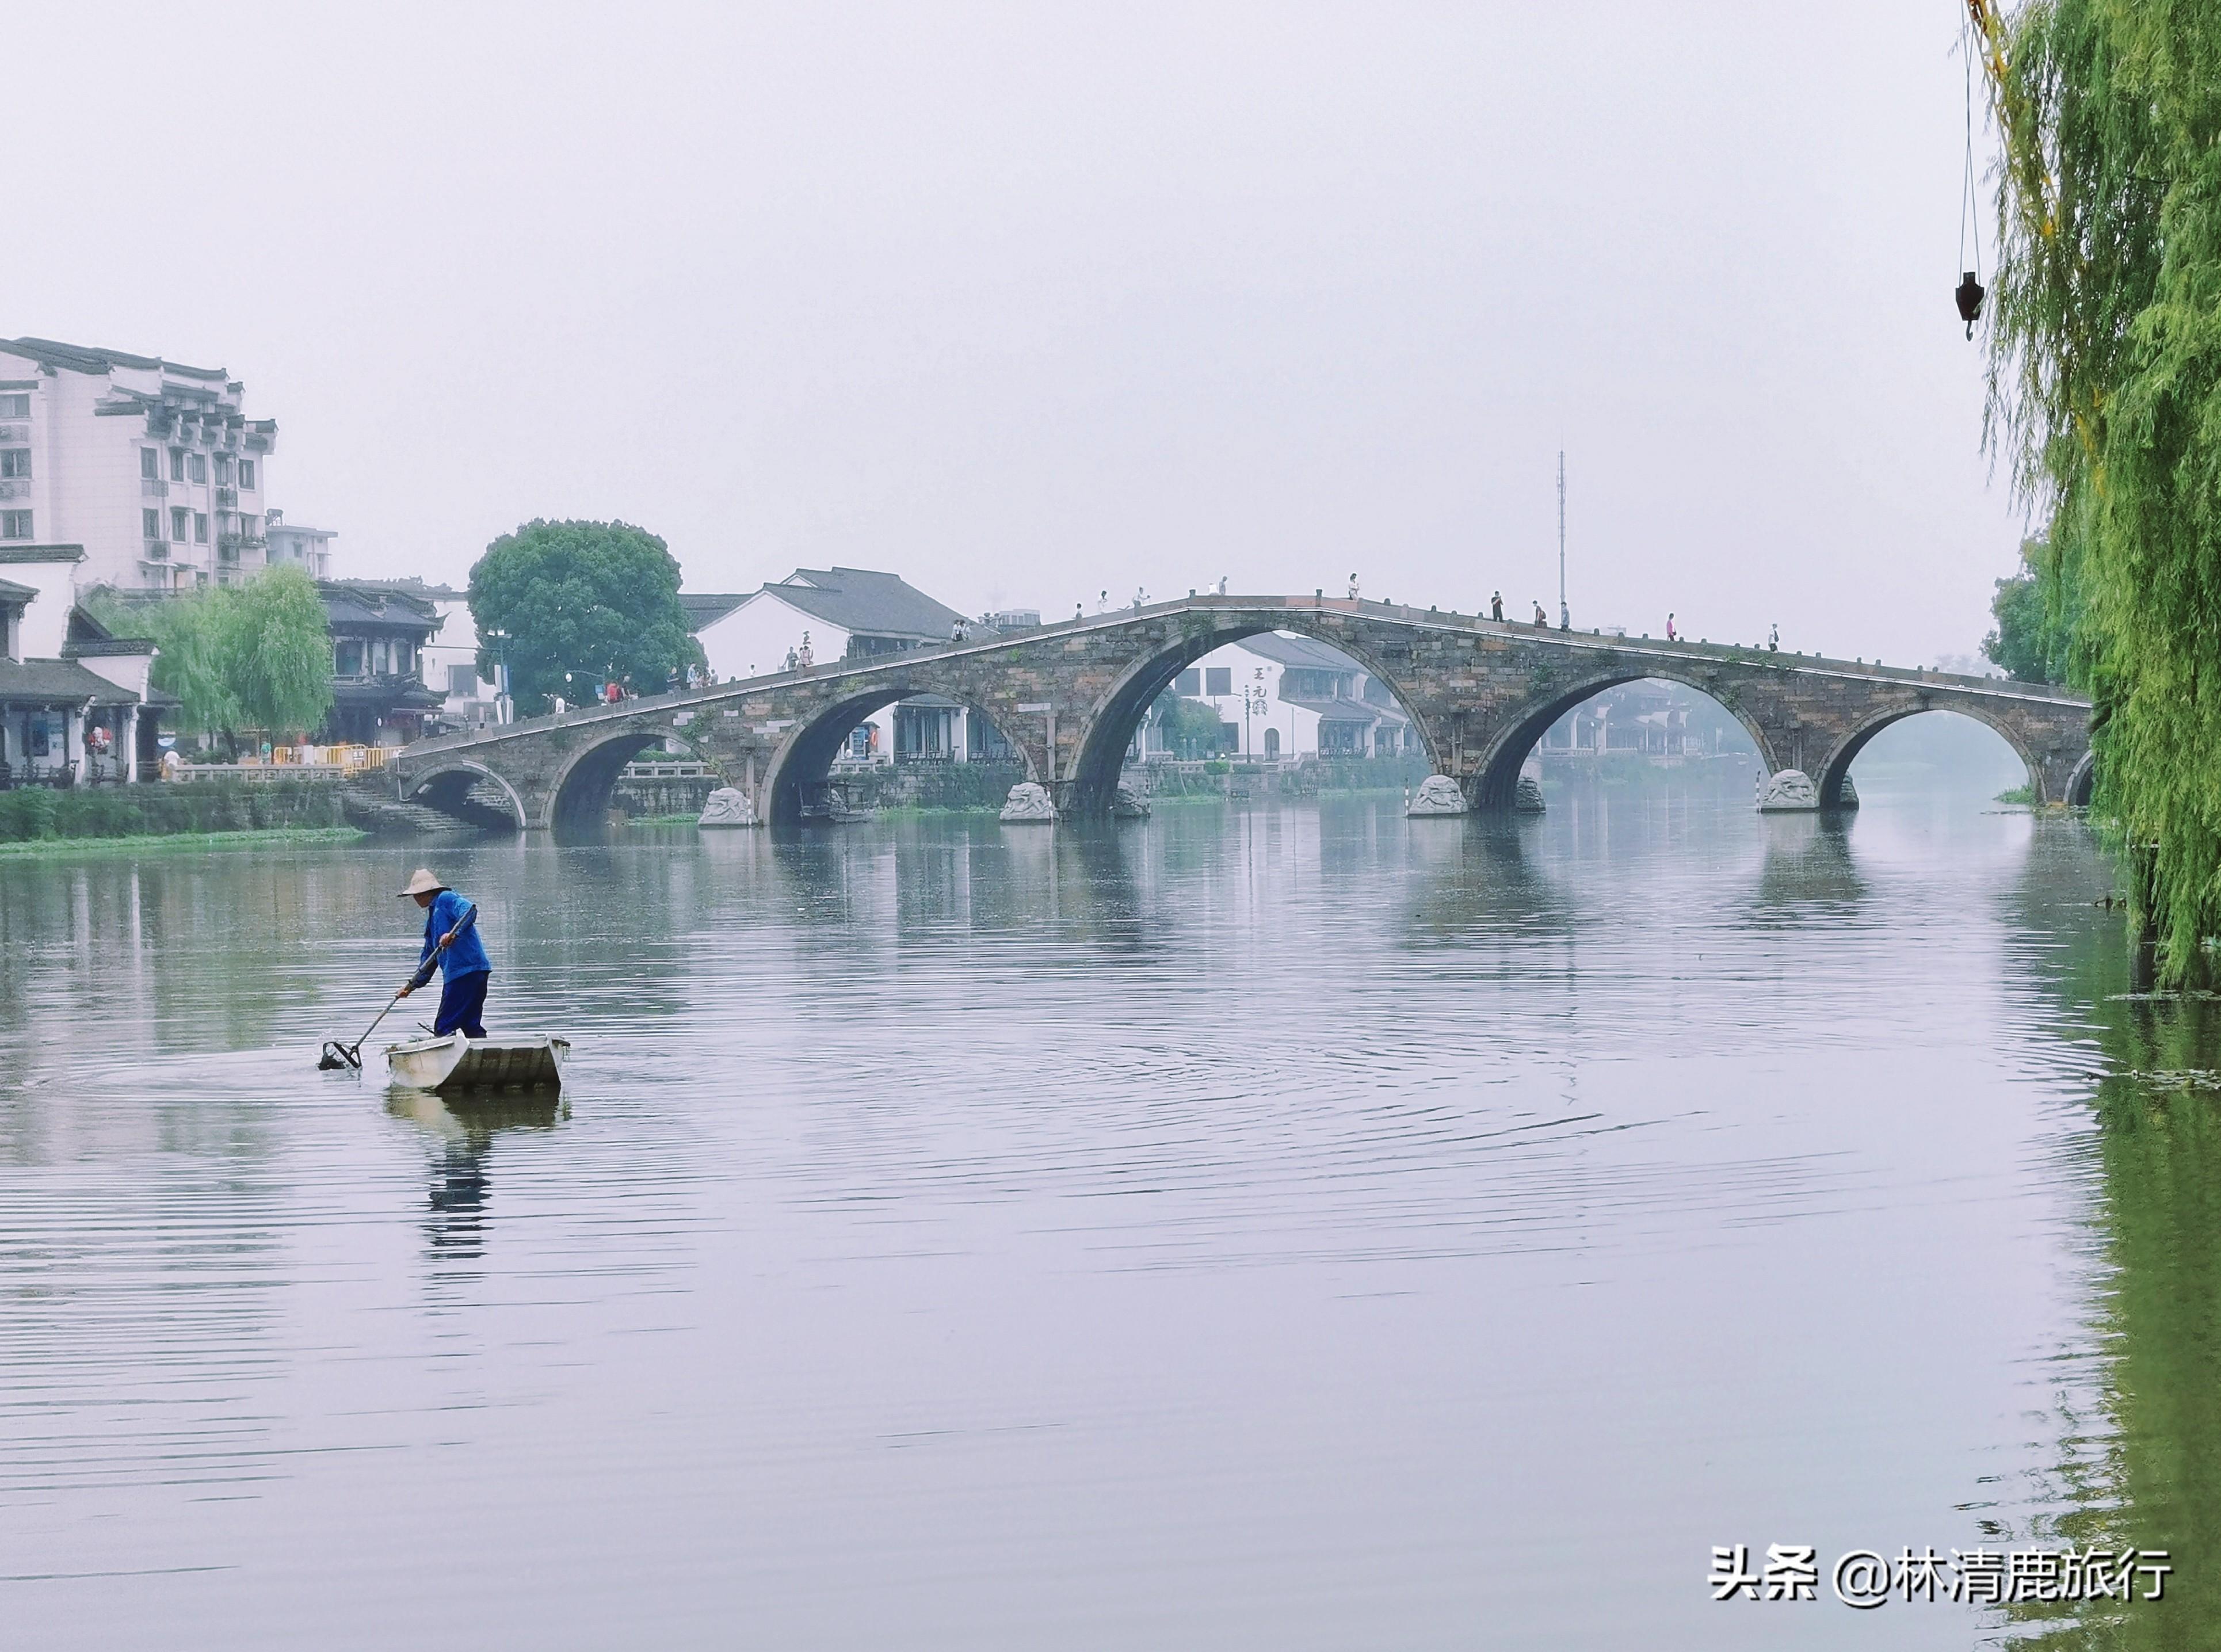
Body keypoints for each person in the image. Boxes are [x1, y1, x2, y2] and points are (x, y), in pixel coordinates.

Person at [395, 869, 493, 1039]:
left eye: (418, 894)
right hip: (471, 974)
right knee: (471, 1025)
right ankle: (483, 1060)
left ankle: (443, 1062)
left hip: (465, 972)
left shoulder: (446, 899)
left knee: (444, 1027)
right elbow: (429, 959)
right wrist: (410, 987)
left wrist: (453, 934)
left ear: (427, 892)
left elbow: (469, 911)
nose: (416, 899)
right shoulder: (432, 922)